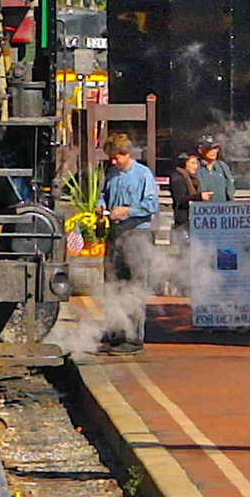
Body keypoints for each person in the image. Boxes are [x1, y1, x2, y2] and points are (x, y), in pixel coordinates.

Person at [95, 134, 159, 354]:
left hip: (136, 234)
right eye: (111, 157)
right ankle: (115, 333)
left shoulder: (143, 174)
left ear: (127, 154)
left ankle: (132, 337)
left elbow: (151, 204)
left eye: (117, 157)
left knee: (133, 286)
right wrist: (100, 205)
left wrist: (127, 210)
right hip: (115, 234)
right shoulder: (111, 173)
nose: (113, 161)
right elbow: (103, 194)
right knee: (113, 283)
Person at [169, 153, 202, 246]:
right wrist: (199, 197)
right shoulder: (178, 179)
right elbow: (181, 200)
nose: (195, 166)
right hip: (183, 220)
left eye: (196, 163)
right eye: (192, 163)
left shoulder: (192, 179)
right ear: (184, 163)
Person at [195, 135, 236, 203]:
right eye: (209, 149)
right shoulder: (196, 167)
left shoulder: (222, 166)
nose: (213, 151)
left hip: (223, 208)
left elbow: (230, 186)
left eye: (215, 148)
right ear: (200, 150)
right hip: (203, 209)